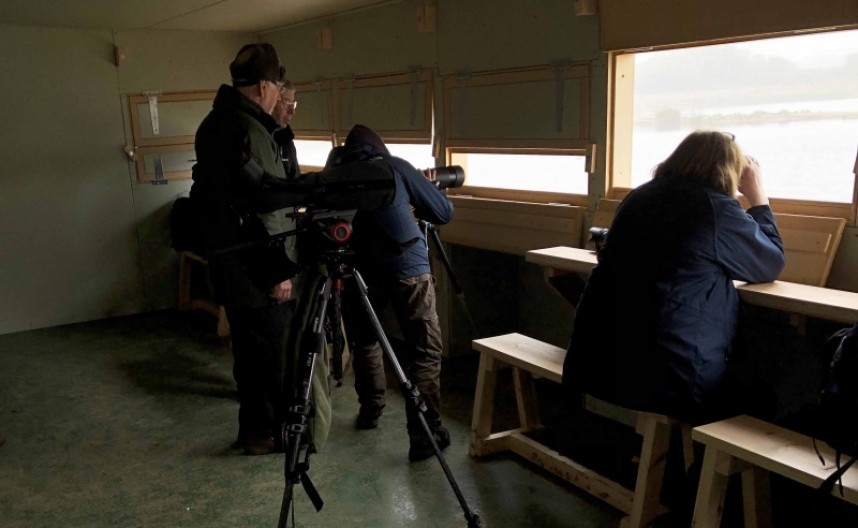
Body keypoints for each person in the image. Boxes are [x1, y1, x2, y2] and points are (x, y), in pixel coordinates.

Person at [563, 130, 786, 426]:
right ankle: (699, 468)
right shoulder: (714, 208)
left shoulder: (640, 196)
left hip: (595, 359)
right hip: (665, 377)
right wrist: (758, 199)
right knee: (765, 388)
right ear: (729, 172)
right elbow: (769, 263)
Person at [189, 43, 302, 455]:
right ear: (262, 85)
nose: (278, 94)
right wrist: (279, 271)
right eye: (276, 85)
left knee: (251, 356)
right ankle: (266, 434)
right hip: (256, 269)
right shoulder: (246, 130)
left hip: (232, 265)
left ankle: (256, 431)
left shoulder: (216, 123)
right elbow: (260, 208)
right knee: (271, 358)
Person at [326, 124, 454, 461]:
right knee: (424, 351)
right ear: (378, 148)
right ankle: (425, 435)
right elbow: (443, 212)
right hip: (407, 269)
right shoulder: (394, 166)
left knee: (365, 342)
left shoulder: (334, 175)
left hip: (358, 272)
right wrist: (423, 188)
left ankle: (370, 410)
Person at [272, 79, 300, 179]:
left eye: (293, 105)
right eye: (286, 104)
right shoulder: (259, 140)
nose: (292, 111)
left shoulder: (288, 142)